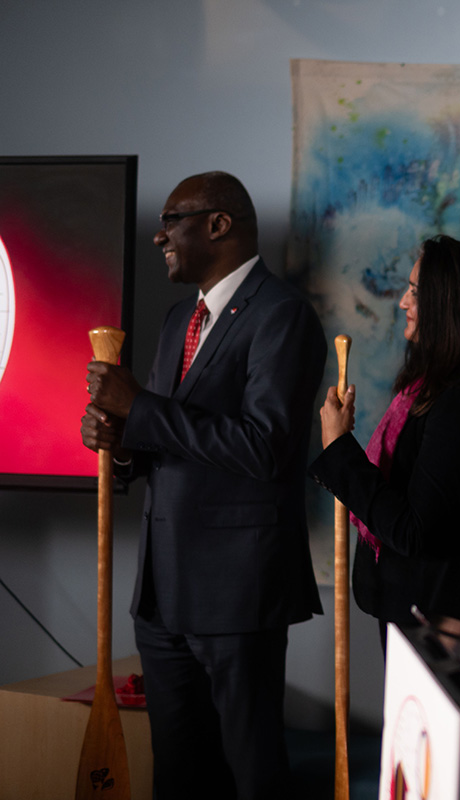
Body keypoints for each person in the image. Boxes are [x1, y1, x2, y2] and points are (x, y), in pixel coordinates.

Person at [80, 172, 327, 799]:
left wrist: (140, 409)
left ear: (218, 225)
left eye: (173, 218)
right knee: (180, 773)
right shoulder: (176, 321)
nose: (161, 234)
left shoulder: (284, 316)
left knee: (251, 772)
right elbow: (169, 439)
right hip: (162, 592)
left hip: (236, 592)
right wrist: (124, 442)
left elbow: (264, 447)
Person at [310, 235, 460, 639]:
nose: (403, 303)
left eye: (415, 291)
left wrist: (339, 447)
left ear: (449, 305)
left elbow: (415, 530)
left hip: (442, 618)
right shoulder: (430, 385)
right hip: (416, 608)